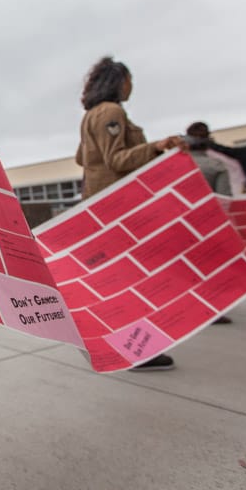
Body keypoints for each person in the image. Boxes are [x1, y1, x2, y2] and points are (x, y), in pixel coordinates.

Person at [75, 56, 181, 371]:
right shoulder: (112, 111)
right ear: (118, 81)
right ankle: (138, 349)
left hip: (97, 205)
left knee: (115, 279)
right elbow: (117, 159)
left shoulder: (90, 115)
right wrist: (157, 147)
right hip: (118, 207)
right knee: (134, 279)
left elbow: (83, 157)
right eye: (129, 79)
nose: (131, 85)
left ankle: (120, 343)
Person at [184, 122, 233, 324]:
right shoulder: (216, 166)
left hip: (179, 222)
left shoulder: (173, 166)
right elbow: (225, 200)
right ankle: (212, 309)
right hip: (207, 222)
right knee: (209, 266)